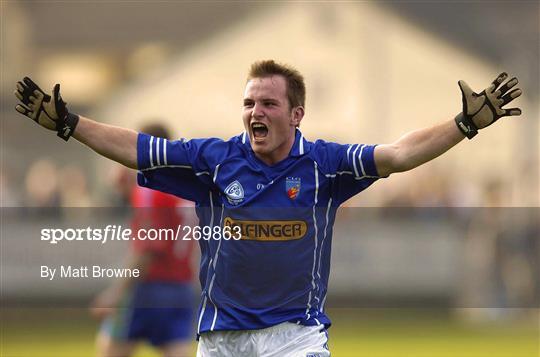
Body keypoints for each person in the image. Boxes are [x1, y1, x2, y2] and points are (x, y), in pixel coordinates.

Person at [14, 60, 522, 356]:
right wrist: (70, 123)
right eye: (250, 103)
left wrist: (465, 124)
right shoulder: (214, 159)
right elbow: (137, 147)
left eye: (269, 104)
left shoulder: (324, 164)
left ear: (297, 113)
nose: (256, 112)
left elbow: (398, 153)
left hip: (294, 337)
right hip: (222, 336)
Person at [90, 123, 197, 357]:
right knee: (177, 349)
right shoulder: (185, 189)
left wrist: (115, 293)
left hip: (149, 286)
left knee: (110, 347)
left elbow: (148, 248)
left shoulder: (150, 190)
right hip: (180, 287)